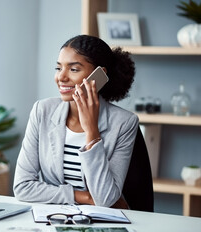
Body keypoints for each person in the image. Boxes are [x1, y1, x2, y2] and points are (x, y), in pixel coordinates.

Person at [13, 35, 138, 208]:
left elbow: (105, 199)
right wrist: (82, 197)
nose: (61, 77)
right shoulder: (42, 111)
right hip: (54, 217)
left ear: (100, 75)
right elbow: (22, 187)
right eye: (58, 68)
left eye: (73, 69)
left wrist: (91, 129)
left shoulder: (124, 123)